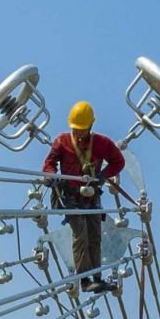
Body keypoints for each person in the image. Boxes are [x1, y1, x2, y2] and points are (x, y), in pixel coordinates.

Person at [41, 101, 126, 287]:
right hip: (70, 197)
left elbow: (118, 161)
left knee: (95, 236)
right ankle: (85, 280)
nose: (78, 132)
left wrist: (102, 176)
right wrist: (51, 176)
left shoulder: (101, 143)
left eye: (82, 129)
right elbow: (49, 163)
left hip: (91, 197)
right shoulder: (62, 141)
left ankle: (96, 277)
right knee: (81, 236)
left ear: (90, 125)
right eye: (76, 129)